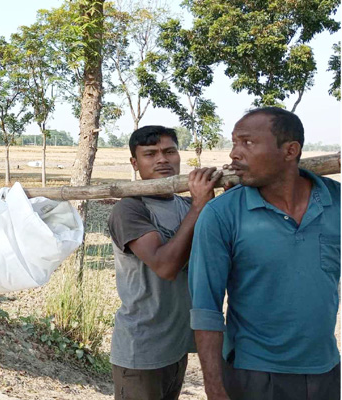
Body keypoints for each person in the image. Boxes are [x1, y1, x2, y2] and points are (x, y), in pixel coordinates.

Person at [189, 107, 340, 400]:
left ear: (290, 151)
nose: (234, 154)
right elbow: (206, 308)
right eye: (233, 143)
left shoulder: (336, 201)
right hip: (254, 376)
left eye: (247, 142)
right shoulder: (221, 214)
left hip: (325, 371)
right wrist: (215, 389)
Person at [107, 125, 221, 400]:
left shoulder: (184, 206)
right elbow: (165, 266)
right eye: (150, 154)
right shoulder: (130, 209)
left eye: (169, 151)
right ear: (135, 163)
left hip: (176, 347)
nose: (162, 159)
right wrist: (199, 207)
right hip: (141, 350)